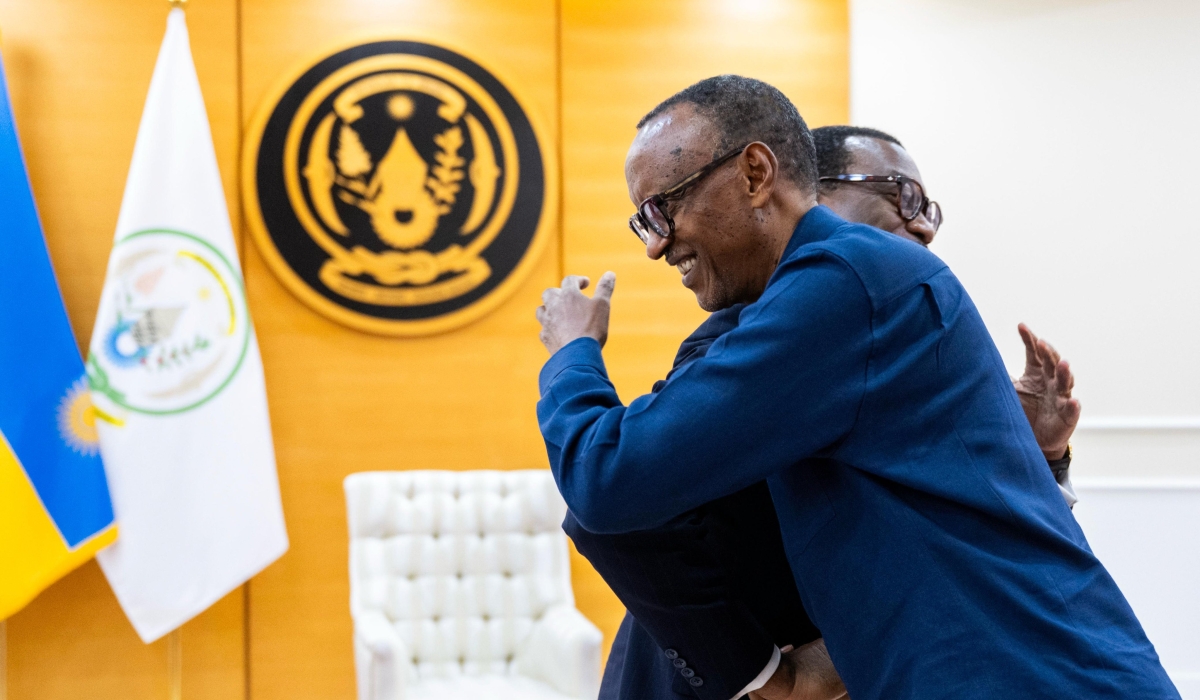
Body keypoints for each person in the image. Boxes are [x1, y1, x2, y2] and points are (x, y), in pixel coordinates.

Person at [536, 76, 1178, 699]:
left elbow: (606, 473)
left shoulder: (849, 283)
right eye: (645, 219)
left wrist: (572, 354)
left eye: (664, 206)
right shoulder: (842, 294)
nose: (657, 244)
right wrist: (769, 672)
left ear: (757, 174)